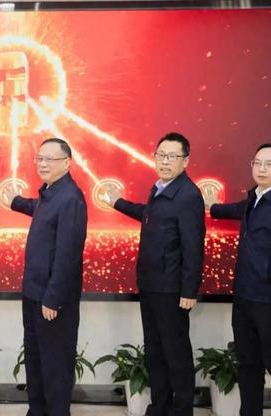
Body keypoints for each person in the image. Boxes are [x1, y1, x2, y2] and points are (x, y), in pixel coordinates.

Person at [103, 132, 205, 416]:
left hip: (171, 289)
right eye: (161, 155)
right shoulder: (160, 188)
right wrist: (118, 203)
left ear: (185, 161)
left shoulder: (188, 195)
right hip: (150, 284)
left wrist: (189, 290)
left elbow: (194, 246)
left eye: (172, 156)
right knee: (155, 351)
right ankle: (159, 406)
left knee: (176, 353)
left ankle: (181, 410)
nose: (165, 161)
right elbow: (149, 214)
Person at [206, 143, 271, 416]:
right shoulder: (256, 198)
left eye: (269, 164)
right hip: (244, 298)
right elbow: (238, 209)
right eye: (257, 163)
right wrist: (212, 207)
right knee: (248, 365)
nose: (262, 169)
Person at [3, 137, 88, 416]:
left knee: (55, 367)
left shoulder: (71, 198)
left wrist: (52, 298)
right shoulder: (50, 193)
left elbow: (67, 255)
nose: (43, 164)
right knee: (36, 361)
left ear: (67, 163)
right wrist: (15, 201)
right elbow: (39, 209)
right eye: (39, 158)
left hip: (51, 301)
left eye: (50, 159)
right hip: (33, 294)